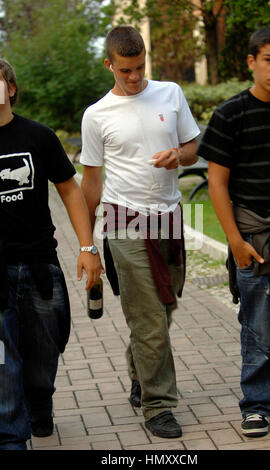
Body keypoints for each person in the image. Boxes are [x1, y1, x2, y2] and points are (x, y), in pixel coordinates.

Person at [80, 25, 199, 438]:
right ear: (109, 64)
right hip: (122, 221)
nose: (134, 78)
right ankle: (158, 406)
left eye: (140, 68)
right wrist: (87, 244)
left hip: (168, 218)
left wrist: (178, 157)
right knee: (148, 319)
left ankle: (140, 372)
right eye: (125, 70)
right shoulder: (97, 115)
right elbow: (91, 182)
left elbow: (193, 147)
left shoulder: (170, 93)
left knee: (164, 309)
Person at [198, 27, 270, 438]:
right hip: (254, 240)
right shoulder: (230, 114)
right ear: (251, 62)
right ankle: (257, 406)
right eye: (269, 60)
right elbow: (216, 183)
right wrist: (234, 241)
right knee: (257, 328)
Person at [0, 58, 103, 450]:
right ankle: (11, 435)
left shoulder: (38, 136)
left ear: (11, 88)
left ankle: (39, 399)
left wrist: (87, 246)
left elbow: (69, 190)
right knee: (3, 361)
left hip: (39, 263)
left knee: (44, 351)